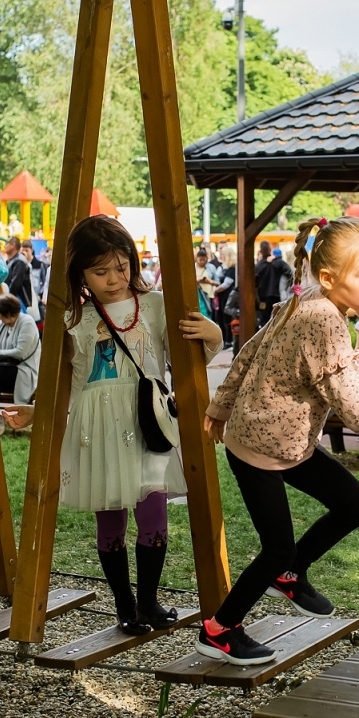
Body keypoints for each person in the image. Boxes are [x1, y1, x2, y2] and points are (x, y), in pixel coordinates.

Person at [203, 217, 359, 664]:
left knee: (355, 503)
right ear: (331, 277)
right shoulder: (324, 323)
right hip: (258, 450)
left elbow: (252, 348)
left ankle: (292, 573)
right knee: (277, 547)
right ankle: (220, 629)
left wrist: (221, 406)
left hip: (288, 443)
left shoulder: (309, 296)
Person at [58, 214, 222, 635]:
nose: (114, 278)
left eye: (122, 266)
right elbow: (72, 383)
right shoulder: (72, 319)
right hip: (97, 429)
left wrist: (214, 337)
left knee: (154, 513)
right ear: (80, 273)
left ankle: (148, 599)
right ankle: (124, 605)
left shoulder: (153, 305)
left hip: (147, 422)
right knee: (109, 519)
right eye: (100, 271)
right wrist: (36, 411)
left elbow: (186, 365)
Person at [0, 294, 40, 405]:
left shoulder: (27, 322)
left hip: (24, 369)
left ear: (8, 314)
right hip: (8, 366)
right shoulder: (3, 324)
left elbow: (20, 352)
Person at [4, 236, 33, 313]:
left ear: (13, 245)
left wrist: (6, 299)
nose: (4, 246)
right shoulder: (10, 261)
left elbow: (16, 284)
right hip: (13, 298)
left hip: (17, 300)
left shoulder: (19, 261)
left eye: (6, 243)